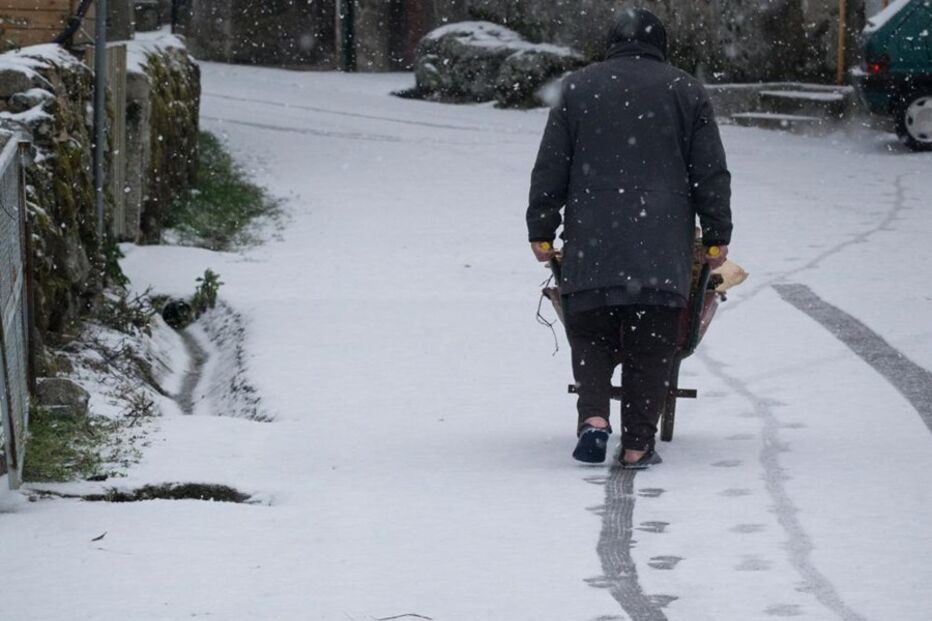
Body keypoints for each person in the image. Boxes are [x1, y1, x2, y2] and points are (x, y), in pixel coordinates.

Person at [526, 8, 733, 468]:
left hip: (592, 241)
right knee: (652, 342)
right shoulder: (686, 90)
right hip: (661, 245)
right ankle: (638, 443)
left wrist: (541, 227)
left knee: (593, 334)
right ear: (660, 44)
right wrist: (716, 236)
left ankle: (595, 420)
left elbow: (551, 164)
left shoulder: (577, 88)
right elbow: (710, 172)